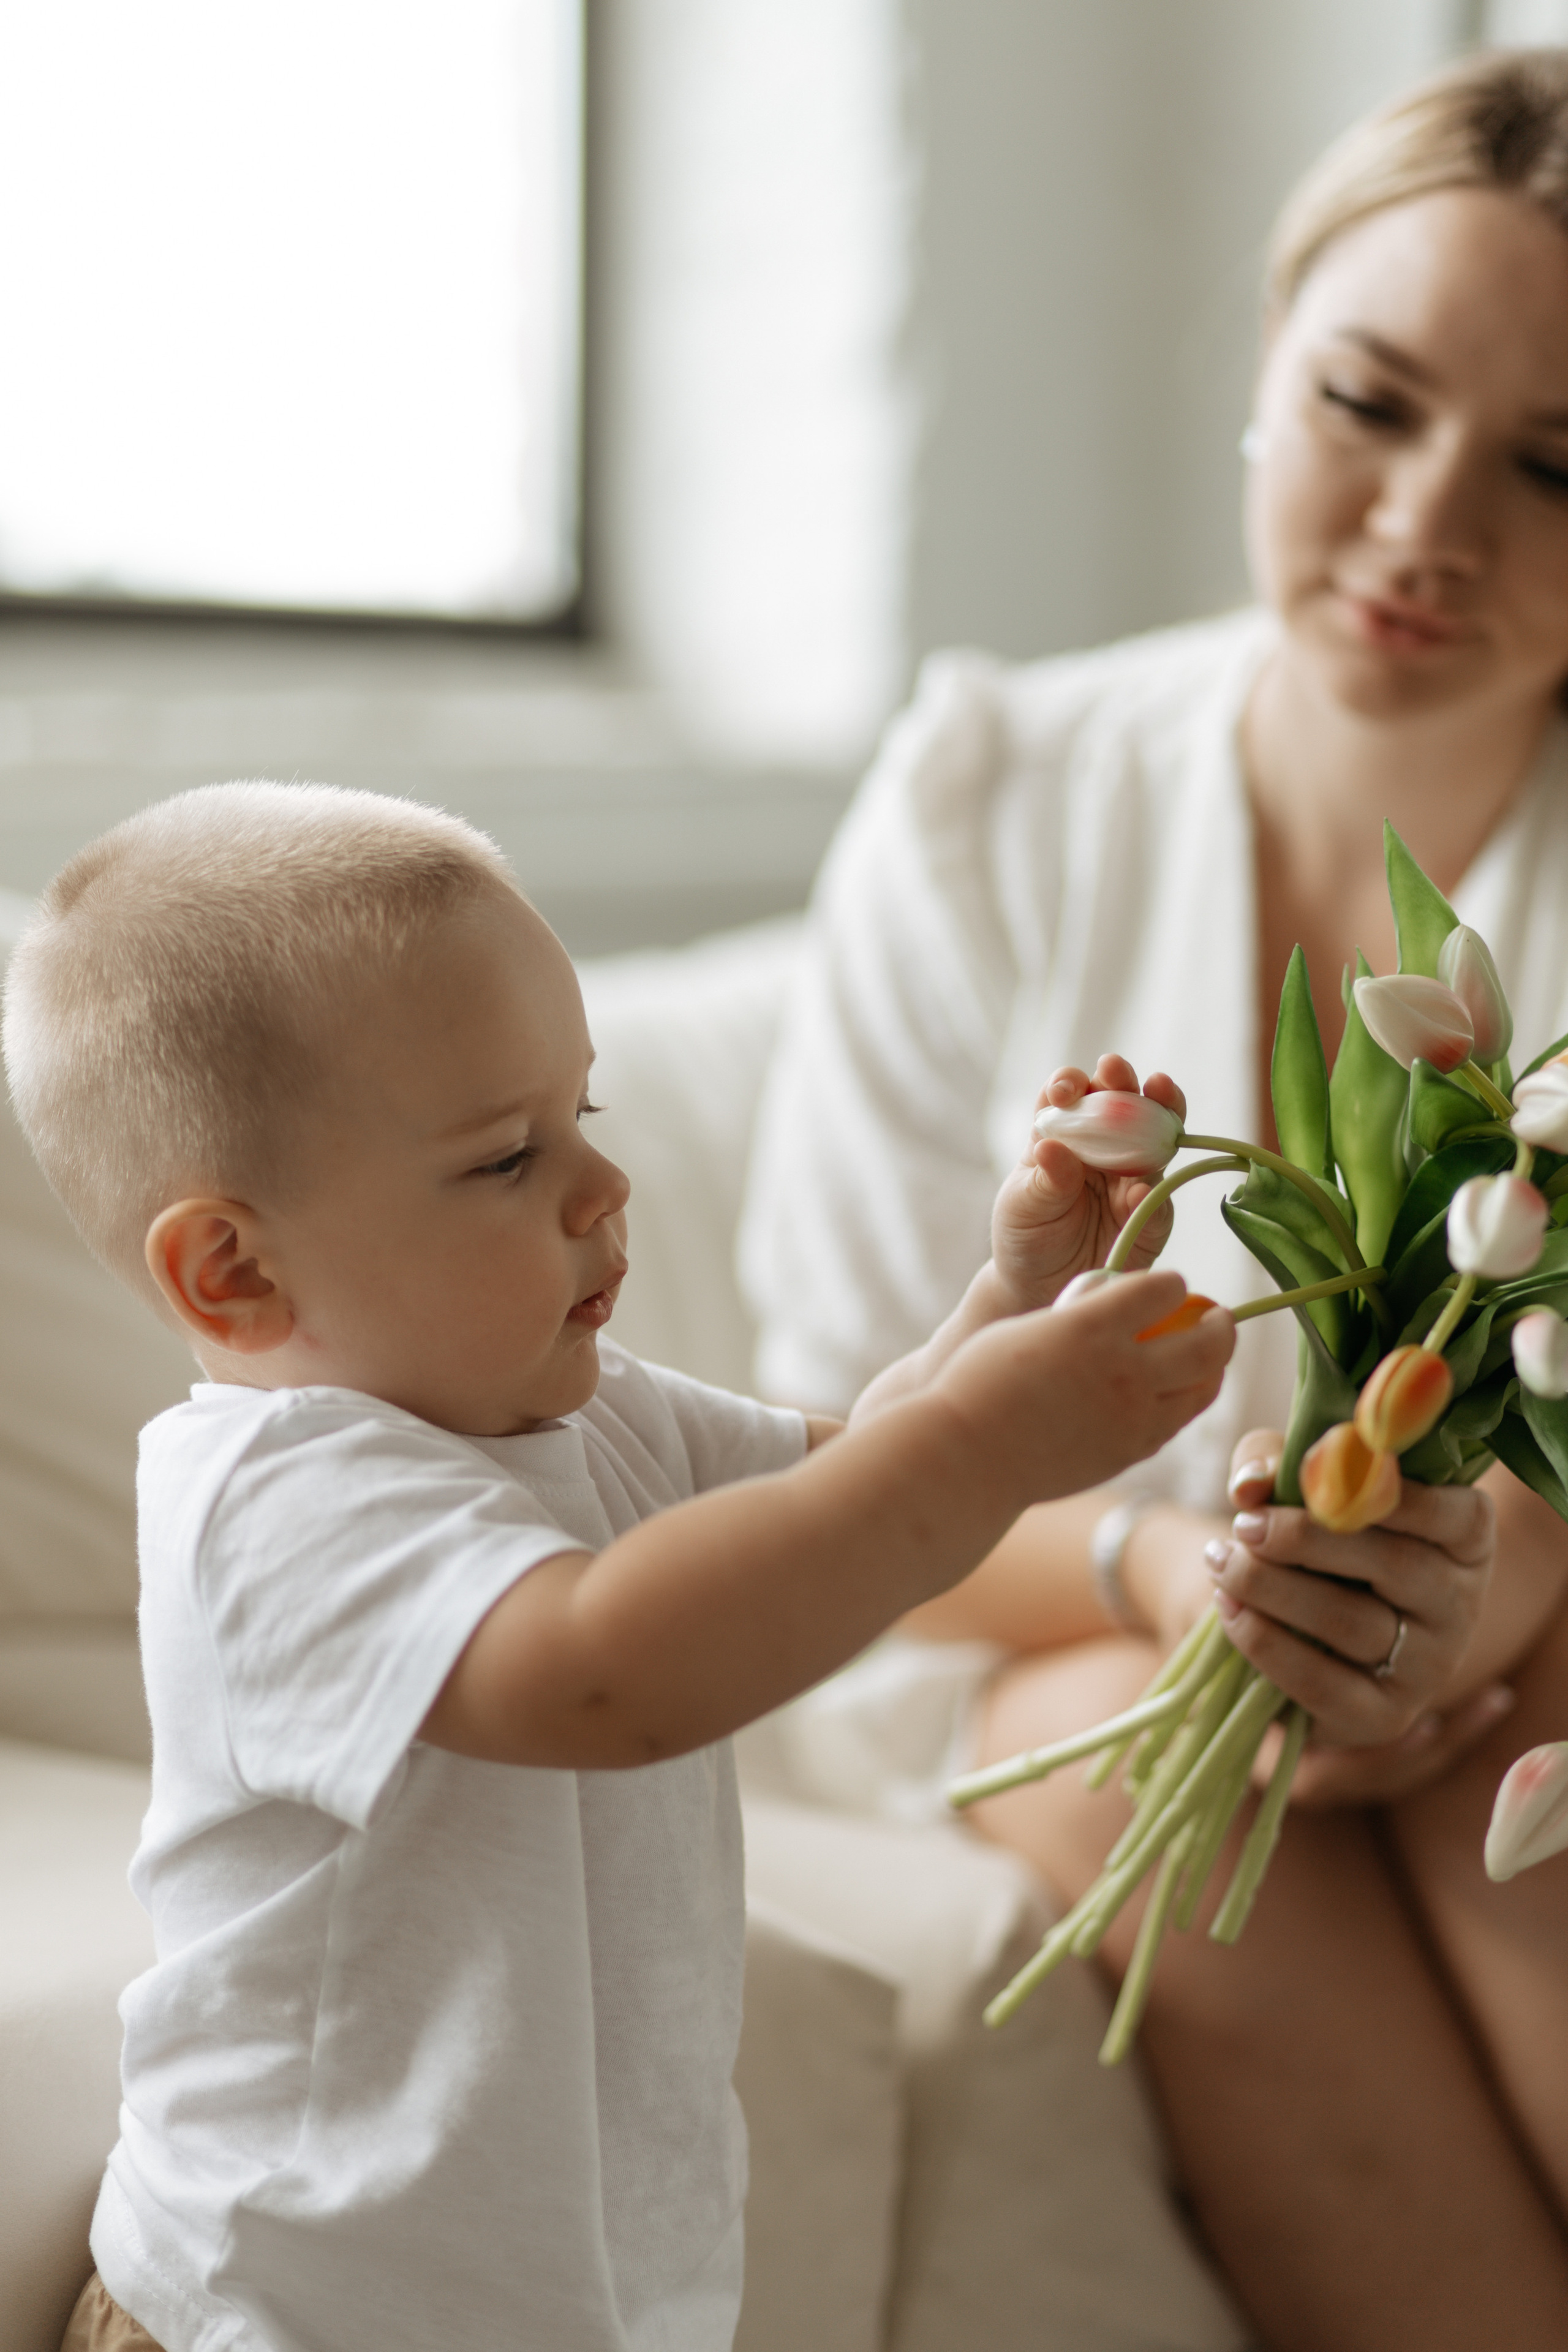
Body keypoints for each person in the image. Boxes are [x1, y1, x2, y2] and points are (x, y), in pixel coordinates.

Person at [0, 780, 1235, 2352]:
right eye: (504, 1160)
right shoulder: (272, 1502)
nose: (602, 1187)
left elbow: (854, 1488)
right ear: (233, 1271)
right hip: (285, 2314)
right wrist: (990, 1442)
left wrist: (1007, 1304)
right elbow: (604, 1673)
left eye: (580, 1116)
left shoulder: (582, 1414)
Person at [739, 45, 1568, 2352]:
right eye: (1366, 402)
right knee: (1136, 1797)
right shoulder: (997, 796)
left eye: (1556, 467)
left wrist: (1461, 1614)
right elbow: (814, 1450)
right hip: (1022, 1634)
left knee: (1544, 1718)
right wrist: (1175, 1578)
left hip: (1519, 1650)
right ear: (1268, 368)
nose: (1427, 524)